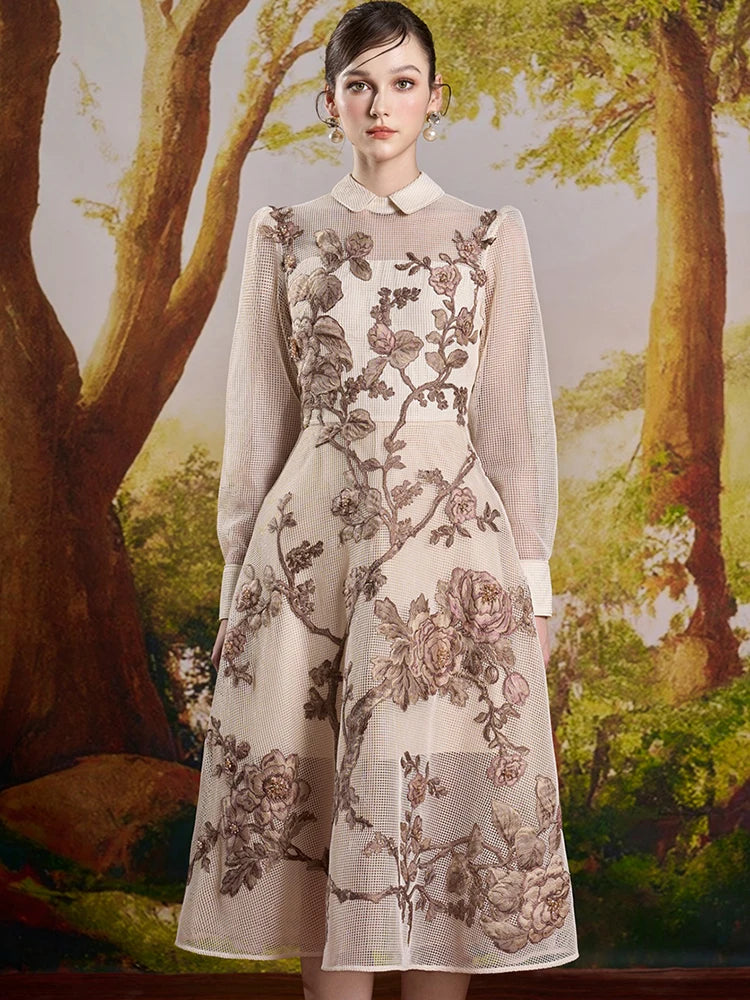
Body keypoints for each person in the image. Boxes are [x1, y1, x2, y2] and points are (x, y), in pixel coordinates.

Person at [174, 2, 579, 997]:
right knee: (321, 827)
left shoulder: (489, 235)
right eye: (359, 83)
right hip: (309, 558)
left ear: (437, 99)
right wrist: (235, 587)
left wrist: (534, 585)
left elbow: (509, 423)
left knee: (444, 828)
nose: (381, 102)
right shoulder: (285, 233)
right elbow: (258, 418)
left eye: (403, 82)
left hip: (453, 562)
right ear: (330, 102)